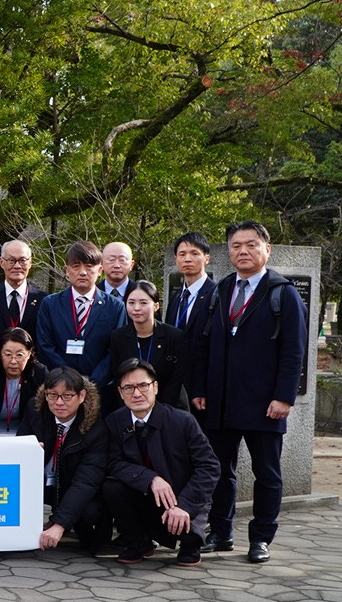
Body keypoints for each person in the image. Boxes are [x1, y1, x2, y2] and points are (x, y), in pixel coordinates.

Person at [192, 221, 306, 564]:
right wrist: (200, 388)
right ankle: (220, 532)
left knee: (267, 474)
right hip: (220, 401)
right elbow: (202, 344)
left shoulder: (282, 293)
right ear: (229, 252)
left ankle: (261, 538)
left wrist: (284, 396)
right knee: (219, 471)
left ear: (266, 249)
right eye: (236, 245)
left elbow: (294, 351)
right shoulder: (220, 290)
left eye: (251, 244)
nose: (243, 251)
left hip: (264, 403)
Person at [103, 358, 220, 566]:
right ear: (120, 392)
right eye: (128, 388)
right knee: (111, 487)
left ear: (155, 387)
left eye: (143, 385)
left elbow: (209, 466)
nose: (136, 394)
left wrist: (183, 505)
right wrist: (151, 479)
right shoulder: (115, 421)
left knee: (188, 538)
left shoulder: (183, 421)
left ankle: (190, 544)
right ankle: (138, 542)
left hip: (183, 498)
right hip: (146, 495)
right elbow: (113, 463)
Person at [25, 367, 108, 552]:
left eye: (67, 396)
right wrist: (30, 450)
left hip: (72, 484)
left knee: (89, 513)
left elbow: (86, 481)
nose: (59, 402)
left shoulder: (95, 426)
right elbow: (19, 453)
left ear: (81, 396)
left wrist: (59, 524)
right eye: (52, 395)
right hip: (41, 482)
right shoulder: (35, 409)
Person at [35, 240, 125, 388]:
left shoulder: (115, 307)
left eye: (89, 266)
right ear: (66, 270)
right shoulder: (50, 304)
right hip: (59, 387)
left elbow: (115, 351)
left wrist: (92, 383)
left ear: (100, 270)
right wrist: (67, 379)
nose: (83, 272)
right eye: (76, 266)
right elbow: (45, 346)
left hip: (100, 389)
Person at [109, 281, 190, 413]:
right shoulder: (118, 337)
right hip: (131, 407)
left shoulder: (174, 336)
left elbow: (176, 380)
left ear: (156, 306)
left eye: (143, 303)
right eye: (131, 303)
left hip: (169, 407)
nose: (136, 308)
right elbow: (118, 376)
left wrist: (156, 411)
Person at [0, 239, 48, 367]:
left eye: (22, 260)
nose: (17, 266)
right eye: (11, 260)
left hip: (32, 372)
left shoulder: (44, 300)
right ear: (1, 262)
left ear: (30, 262)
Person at [164, 232, 216, 401]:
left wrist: (202, 388)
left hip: (202, 387)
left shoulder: (216, 295)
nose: (187, 259)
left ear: (206, 258)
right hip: (175, 383)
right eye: (182, 254)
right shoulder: (176, 297)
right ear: (176, 259)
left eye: (194, 253)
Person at [0, 328, 47, 437]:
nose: (13, 361)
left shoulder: (39, 373)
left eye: (19, 355)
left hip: (26, 431)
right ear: (0, 354)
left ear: (29, 354)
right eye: (8, 355)